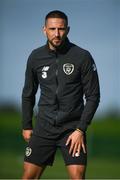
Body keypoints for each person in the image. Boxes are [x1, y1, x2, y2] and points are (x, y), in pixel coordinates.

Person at [21, 10, 100, 179]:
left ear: (68, 30)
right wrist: (27, 124)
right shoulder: (35, 57)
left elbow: (93, 96)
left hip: (72, 130)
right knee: (28, 177)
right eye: (52, 29)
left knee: (77, 177)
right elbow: (28, 93)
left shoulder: (82, 56)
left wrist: (80, 129)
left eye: (61, 29)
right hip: (44, 127)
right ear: (44, 29)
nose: (57, 34)